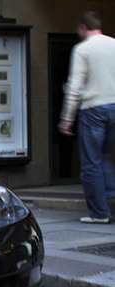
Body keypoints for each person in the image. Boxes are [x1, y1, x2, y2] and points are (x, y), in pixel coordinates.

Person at [59, 11, 115, 224]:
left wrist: (67, 118)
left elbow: (75, 86)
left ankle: (100, 213)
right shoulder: (114, 44)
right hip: (114, 107)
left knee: (91, 163)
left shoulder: (82, 49)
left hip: (93, 109)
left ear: (83, 27)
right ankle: (110, 196)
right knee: (102, 157)